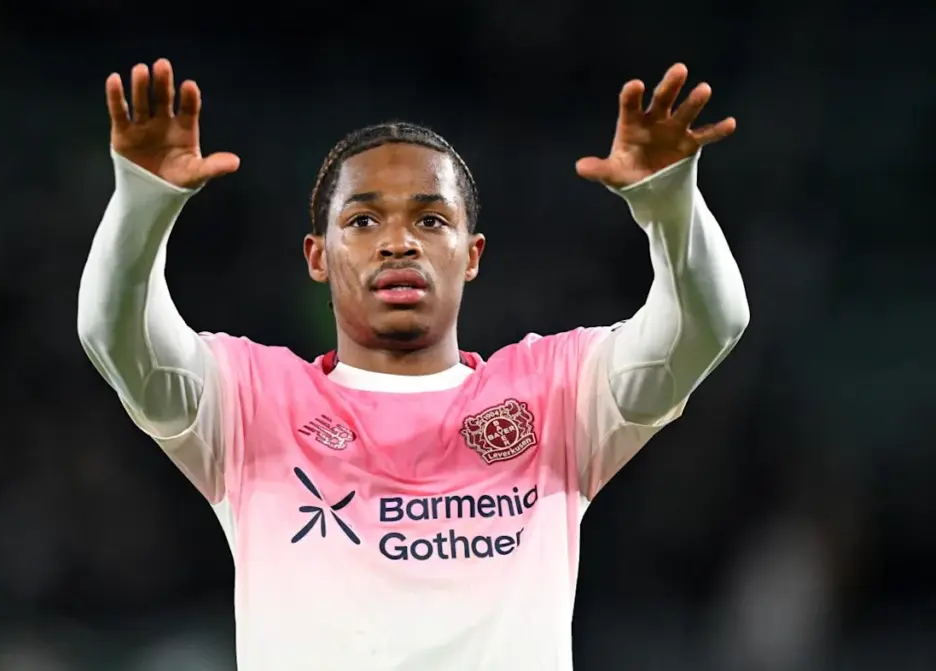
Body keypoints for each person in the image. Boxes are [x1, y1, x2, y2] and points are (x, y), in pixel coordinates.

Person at [77, 57, 749, 671]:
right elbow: (116, 337)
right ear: (317, 256)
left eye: (430, 220)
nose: (398, 242)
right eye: (363, 221)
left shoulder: (555, 392)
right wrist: (143, 203)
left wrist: (669, 206)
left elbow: (707, 327)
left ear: (472, 253)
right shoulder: (251, 400)